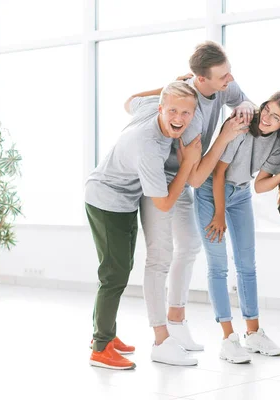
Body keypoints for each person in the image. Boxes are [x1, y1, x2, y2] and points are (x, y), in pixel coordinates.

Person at [125, 41, 256, 365]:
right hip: (161, 180)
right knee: (160, 257)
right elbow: (197, 178)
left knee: (190, 246)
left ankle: (177, 320)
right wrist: (224, 135)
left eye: (228, 73)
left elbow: (244, 98)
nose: (230, 79)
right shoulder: (190, 113)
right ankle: (161, 338)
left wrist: (247, 105)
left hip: (180, 179)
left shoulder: (223, 86)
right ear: (201, 79)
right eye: (223, 76)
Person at [85, 82, 202, 370]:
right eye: (173, 110)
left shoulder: (149, 107)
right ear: (161, 108)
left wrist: (173, 83)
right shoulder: (149, 146)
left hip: (122, 201)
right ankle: (100, 348)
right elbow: (162, 204)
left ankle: (105, 337)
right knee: (114, 274)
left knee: (118, 270)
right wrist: (187, 164)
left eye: (186, 112)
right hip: (107, 200)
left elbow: (130, 101)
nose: (179, 118)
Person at [194, 90, 280, 364]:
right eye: (267, 110)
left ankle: (253, 333)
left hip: (241, 194)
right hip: (211, 192)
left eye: (276, 117)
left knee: (247, 264)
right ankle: (228, 339)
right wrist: (219, 213)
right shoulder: (241, 126)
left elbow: (261, 185)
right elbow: (218, 173)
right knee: (218, 266)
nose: (268, 118)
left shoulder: (278, 142)